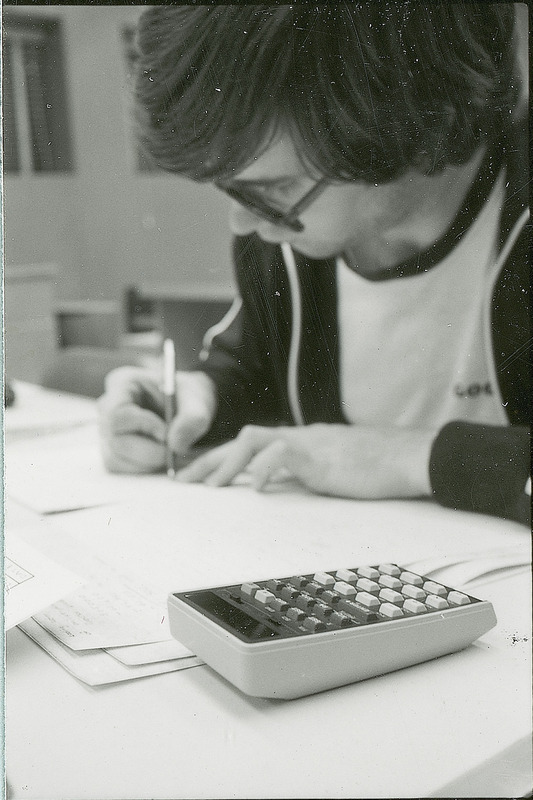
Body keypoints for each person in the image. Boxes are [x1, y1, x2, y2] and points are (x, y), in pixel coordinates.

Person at [98, 3, 530, 525]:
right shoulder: (285, 240)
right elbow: (256, 369)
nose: (241, 221)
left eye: (274, 189)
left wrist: (410, 457)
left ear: (402, 119)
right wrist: (195, 400)